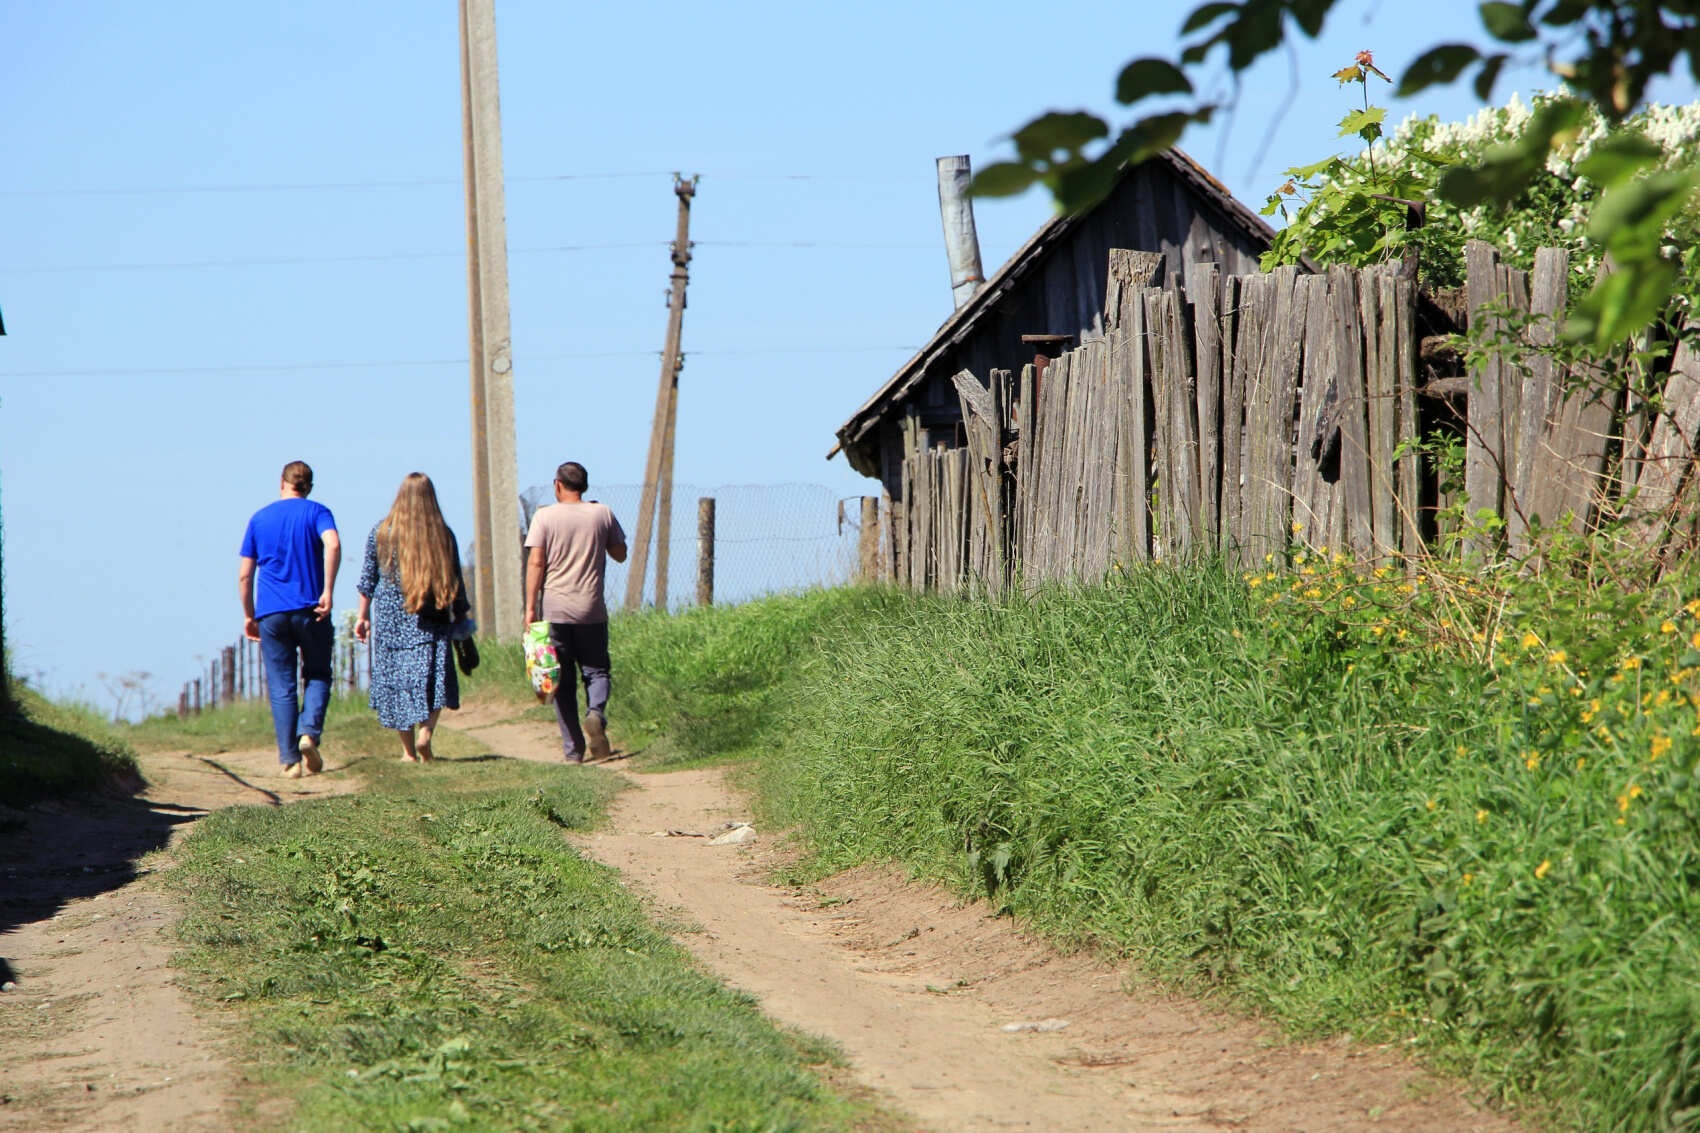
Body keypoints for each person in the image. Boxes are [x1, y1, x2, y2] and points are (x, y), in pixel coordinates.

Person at [353, 473, 467, 762]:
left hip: (391, 620)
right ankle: (425, 735)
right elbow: (456, 579)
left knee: (397, 682)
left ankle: (407, 752)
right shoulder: (443, 534)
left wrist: (362, 616)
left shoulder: (382, 532)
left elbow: (368, 579)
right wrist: (461, 614)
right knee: (434, 677)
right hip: (432, 617)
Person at [239, 460, 341, 778]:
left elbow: (245, 576)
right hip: (312, 609)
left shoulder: (259, 519)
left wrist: (249, 615)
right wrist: (328, 591)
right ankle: (308, 733)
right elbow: (333, 544)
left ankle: (290, 760)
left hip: (271, 613)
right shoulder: (318, 512)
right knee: (318, 674)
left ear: (282, 482)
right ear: (309, 487)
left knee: (282, 685)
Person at [524, 461, 627, 763]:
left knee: (563, 682)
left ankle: (573, 750)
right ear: (585, 486)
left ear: (557, 485)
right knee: (596, 671)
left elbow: (536, 563)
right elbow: (620, 554)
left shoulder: (544, 516)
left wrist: (530, 608)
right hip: (591, 609)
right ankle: (595, 713)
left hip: (555, 610)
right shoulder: (602, 513)